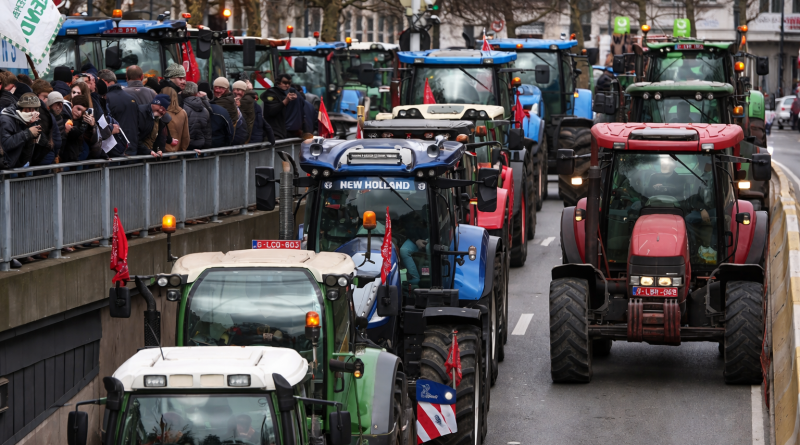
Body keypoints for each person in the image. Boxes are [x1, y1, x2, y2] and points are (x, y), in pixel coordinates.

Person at [0, 92, 42, 168]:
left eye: (34, 109)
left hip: (16, 165)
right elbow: (5, 144)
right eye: (29, 109)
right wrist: (28, 133)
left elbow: (25, 152)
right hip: (4, 165)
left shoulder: (27, 120)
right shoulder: (7, 119)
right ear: (22, 107)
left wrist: (31, 135)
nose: (33, 112)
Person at [104, 71, 139, 156]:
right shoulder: (131, 97)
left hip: (117, 148)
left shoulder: (106, 98)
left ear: (104, 82)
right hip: (132, 144)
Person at [60, 94, 102, 163]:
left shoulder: (82, 122)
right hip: (65, 160)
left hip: (77, 159)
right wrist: (83, 124)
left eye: (82, 112)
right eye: (78, 109)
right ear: (72, 105)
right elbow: (73, 133)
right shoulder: (64, 117)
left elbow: (92, 142)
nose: (79, 113)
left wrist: (92, 126)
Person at [30, 80, 58, 167]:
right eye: (44, 97)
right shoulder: (38, 112)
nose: (46, 101)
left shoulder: (48, 113)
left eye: (48, 98)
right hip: (42, 156)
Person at [199, 81, 234, 148]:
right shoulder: (221, 110)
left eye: (221, 88)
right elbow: (229, 132)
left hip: (196, 149)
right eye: (215, 88)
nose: (217, 90)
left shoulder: (185, 108)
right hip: (216, 147)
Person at [261, 73, 295, 140]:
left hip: (285, 132)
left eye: (289, 83)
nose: (287, 85)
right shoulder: (271, 93)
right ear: (278, 82)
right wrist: (285, 101)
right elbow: (271, 111)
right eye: (285, 83)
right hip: (275, 133)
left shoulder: (288, 93)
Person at [182, 81, 212, 150]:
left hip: (186, 146)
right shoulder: (204, 109)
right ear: (196, 93)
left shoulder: (182, 108)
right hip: (201, 146)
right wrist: (207, 148)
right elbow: (207, 132)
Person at [160, 87, 189, 152]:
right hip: (178, 152)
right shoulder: (182, 112)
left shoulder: (160, 112)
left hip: (162, 152)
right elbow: (185, 136)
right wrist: (183, 149)